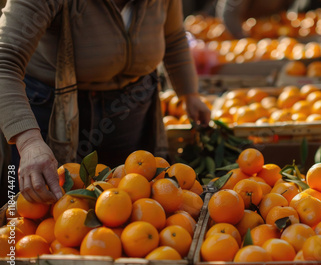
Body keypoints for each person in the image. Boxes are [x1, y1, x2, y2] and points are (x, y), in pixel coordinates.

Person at [0, 0, 211, 204]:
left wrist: (189, 94)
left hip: (130, 107)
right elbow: (5, 61)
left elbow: (173, 36)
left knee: (126, 206)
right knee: (52, 206)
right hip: (54, 109)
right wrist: (28, 142)